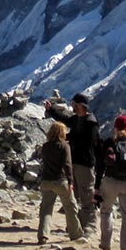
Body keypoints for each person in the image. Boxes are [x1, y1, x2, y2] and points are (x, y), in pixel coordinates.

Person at [44, 92, 100, 236]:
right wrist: (51, 110)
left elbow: (89, 142)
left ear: (80, 106)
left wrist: (70, 139)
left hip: (85, 163)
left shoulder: (91, 123)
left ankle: (90, 226)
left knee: (87, 196)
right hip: (74, 162)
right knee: (74, 196)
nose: (72, 106)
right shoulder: (77, 119)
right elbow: (65, 119)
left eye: (74, 104)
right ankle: (75, 226)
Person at [94, 115, 126, 250]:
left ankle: (105, 244)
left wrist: (97, 186)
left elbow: (100, 165)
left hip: (110, 181)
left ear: (115, 127)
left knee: (106, 211)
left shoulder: (109, 142)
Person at [37, 122, 83, 244]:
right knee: (70, 207)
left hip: (46, 181)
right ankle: (75, 234)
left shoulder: (45, 146)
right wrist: (71, 181)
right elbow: (67, 165)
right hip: (60, 181)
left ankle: (43, 235)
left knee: (46, 208)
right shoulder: (64, 146)